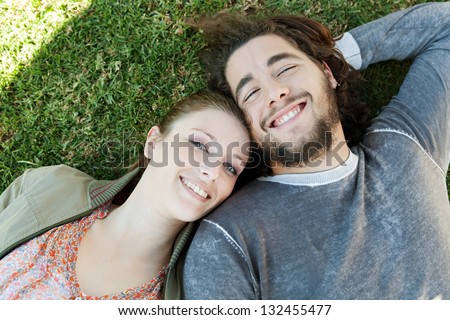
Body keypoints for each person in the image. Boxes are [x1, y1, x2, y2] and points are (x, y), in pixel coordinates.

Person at [182, 3, 450, 299]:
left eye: (285, 68)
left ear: (326, 73)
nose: (274, 92)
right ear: (245, 127)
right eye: (251, 93)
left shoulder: (405, 141)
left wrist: (337, 57)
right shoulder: (229, 239)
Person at [0, 92, 251, 299]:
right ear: (153, 142)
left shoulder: (187, 296)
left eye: (231, 167)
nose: (213, 171)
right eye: (199, 145)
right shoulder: (46, 185)